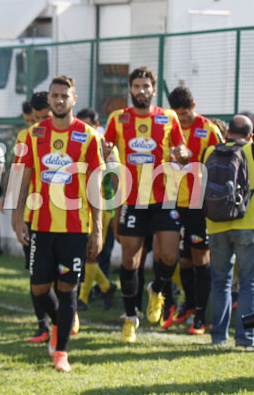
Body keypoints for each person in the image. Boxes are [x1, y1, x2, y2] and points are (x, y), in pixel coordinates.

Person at [12, 75, 103, 372]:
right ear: (49, 99)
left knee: (68, 288)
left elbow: (95, 186)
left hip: (75, 227)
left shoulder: (88, 136)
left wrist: (97, 229)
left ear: (74, 99)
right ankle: (60, 321)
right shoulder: (32, 135)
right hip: (40, 225)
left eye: (65, 95)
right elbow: (21, 179)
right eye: (55, 95)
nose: (59, 100)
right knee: (39, 288)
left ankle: (61, 352)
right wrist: (17, 217)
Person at [103, 67, 188, 342]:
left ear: (153, 89)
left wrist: (183, 154)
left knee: (170, 256)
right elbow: (104, 150)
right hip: (132, 198)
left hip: (164, 197)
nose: (141, 91)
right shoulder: (118, 118)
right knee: (130, 259)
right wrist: (104, 152)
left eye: (146, 86)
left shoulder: (168, 117)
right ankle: (130, 318)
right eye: (137, 86)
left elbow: (183, 152)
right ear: (130, 89)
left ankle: (157, 290)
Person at [162, 86, 221, 334]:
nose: (181, 119)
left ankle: (200, 317)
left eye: (184, 114)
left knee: (200, 259)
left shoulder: (209, 129)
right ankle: (187, 304)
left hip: (198, 204)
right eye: (177, 114)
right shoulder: (168, 127)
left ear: (193, 107)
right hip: (172, 201)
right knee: (182, 260)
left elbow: (221, 163)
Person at [1, 93, 54, 342]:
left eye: (39, 119)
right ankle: (43, 325)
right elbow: (18, 169)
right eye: (31, 120)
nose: (35, 124)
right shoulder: (26, 137)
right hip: (33, 214)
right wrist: (9, 199)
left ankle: (65, 313)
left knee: (60, 273)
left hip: (63, 214)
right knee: (36, 273)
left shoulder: (67, 135)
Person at [203, 115, 254, 348]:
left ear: (227, 133)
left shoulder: (209, 151)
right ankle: (245, 337)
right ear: (250, 135)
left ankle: (218, 337)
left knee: (220, 282)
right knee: (248, 284)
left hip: (216, 225)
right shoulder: (251, 150)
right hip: (247, 226)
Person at [75, 107, 118, 311]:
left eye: (88, 125)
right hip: (81, 204)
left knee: (91, 252)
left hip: (103, 205)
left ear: (96, 125)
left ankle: (83, 298)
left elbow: (117, 177)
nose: (85, 129)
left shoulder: (107, 146)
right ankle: (106, 287)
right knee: (85, 252)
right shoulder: (77, 143)